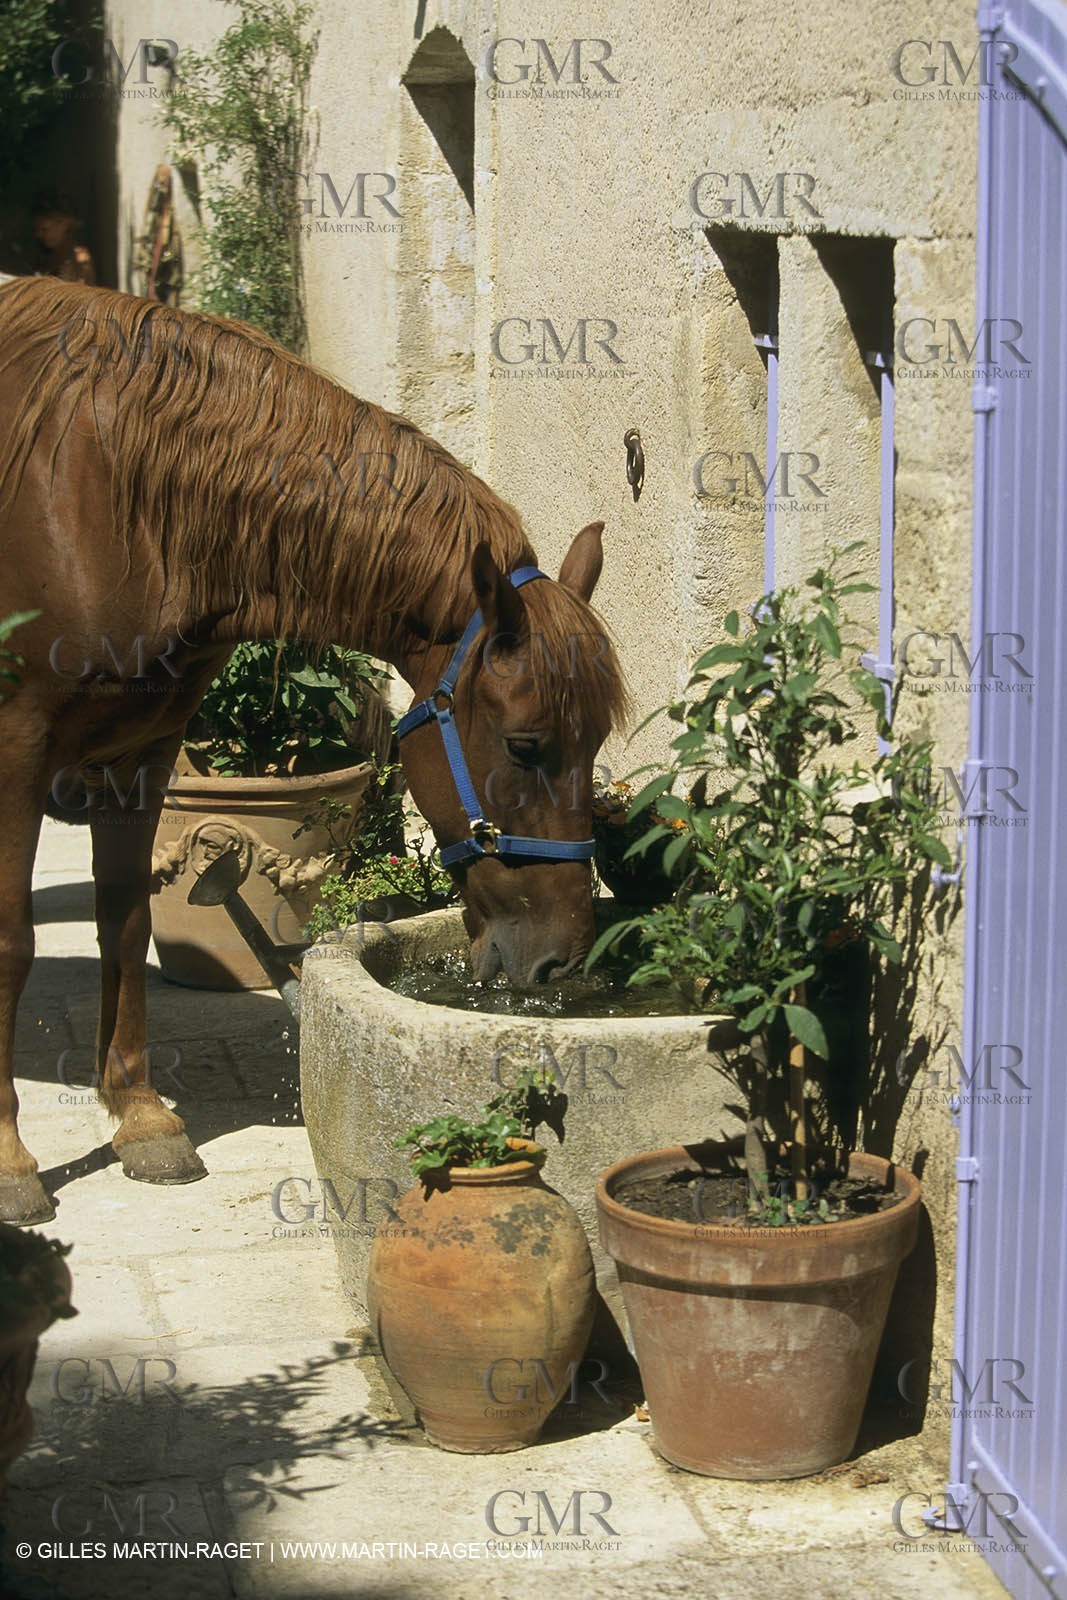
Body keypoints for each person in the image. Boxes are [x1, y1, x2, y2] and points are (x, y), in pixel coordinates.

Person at [31, 193, 95, 284]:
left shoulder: (79, 259)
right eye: (37, 230)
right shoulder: (45, 257)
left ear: (64, 224)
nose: (39, 235)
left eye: (44, 229)